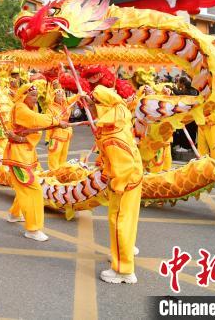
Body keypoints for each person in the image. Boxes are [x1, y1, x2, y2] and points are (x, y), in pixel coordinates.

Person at [88, 85, 143, 284]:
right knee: (126, 222)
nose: (91, 106)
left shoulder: (113, 136)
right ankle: (122, 253)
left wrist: (115, 184)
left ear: (103, 107)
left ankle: (123, 270)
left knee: (119, 222)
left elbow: (124, 164)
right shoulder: (116, 123)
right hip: (132, 179)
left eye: (94, 103)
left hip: (125, 182)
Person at [4, 83, 69, 242]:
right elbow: (35, 121)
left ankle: (14, 214)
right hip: (18, 156)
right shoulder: (20, 108)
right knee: (33, 189)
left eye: (36, 95)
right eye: (32, 95)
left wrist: (54, 123)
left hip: (26, 154)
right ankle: (33, 229)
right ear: (23, 95)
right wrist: (55, 121)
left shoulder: (30, 109)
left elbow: (36, 126)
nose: (35, 98)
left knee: (25, 186)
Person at [45, 88, 79, 170]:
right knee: (54, 155)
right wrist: (47, 138)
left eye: (62, 96)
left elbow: (77, 97)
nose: (61, 97)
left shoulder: (67, 104)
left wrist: (81, 94)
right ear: (54, 97)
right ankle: (53, 173)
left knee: (64, 155)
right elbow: (49, 123)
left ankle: (61, 173)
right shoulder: (50, 108)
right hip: (56, 134)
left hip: (67, 134)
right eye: (58, 96)